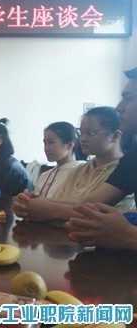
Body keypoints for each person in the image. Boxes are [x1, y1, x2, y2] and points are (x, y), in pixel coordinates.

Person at [13, 107, 133, 222]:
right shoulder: (78, 171)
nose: (82, 138)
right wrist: (31, 204)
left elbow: (101, 219)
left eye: (90, 132)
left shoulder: (126, 175)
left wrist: (43, 208)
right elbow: (56, 202)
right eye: (81, 132)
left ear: (115, 136)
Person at [65, 67, 137, 249]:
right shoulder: (133, 157)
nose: (119, 107)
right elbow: (90, 202)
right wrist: (39, 205)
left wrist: (129, 235)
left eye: (128, 98)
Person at [18, 122, 86, 201]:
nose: (46, 148)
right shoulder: (44, 176)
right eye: (45, 143)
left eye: (51, 142)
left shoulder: (80, 172)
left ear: (70, 145)